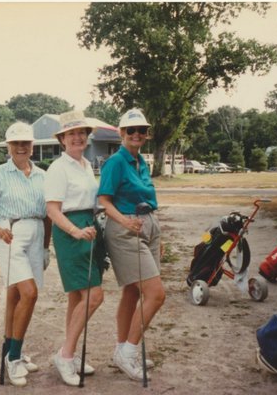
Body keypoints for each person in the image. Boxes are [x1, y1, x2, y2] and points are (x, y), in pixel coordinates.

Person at [0, 122, 51, 387]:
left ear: (32, 146)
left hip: (37, 232)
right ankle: (14, 358)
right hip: (11, 233)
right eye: (16, 143)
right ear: (8, 146)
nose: (21, 147)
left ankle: (11, 349)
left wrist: (45, 247)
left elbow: (48, 214)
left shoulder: (42, 175)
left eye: (26, 143)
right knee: (29, 293)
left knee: (16, 294)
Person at [97, 108, 166, 382]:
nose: (137, 134)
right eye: (131, 130)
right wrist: (126, 223)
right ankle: (129, 352)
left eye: (142, 130)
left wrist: (154, 233)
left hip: (148, 226)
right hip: (125, 231)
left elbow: (148, 199)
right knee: (156, 294)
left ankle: (121, 348)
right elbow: (104, 200)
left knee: (132, 293)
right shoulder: (116, 162)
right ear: (121, 133)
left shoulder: (141, 161)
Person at [45, 110, 105, 386]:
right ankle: (66, 355)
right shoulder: (59, 168)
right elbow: (53, 210)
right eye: (72, 133)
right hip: (72, 232)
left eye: (82, 132)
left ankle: (68, 351)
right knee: (94, 296)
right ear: (62, 139)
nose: (78, 137)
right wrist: (75, 231)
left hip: (89, 227)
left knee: (76, 298)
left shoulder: (84, 164)